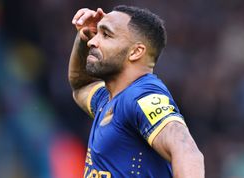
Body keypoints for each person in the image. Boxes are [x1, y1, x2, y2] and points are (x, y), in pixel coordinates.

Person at [68, 5, 204, 178]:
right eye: (96, 34)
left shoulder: (142, 96)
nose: (92, 41)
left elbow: (188, 152)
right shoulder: (109, 99)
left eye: (106, 35)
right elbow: (80, 85)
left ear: (135, 52)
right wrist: (83, 36)